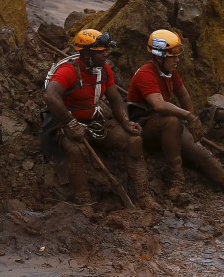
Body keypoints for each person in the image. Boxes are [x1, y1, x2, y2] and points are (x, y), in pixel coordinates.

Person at [42, 29, 159, 211]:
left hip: (96, 122)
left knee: (133, 141)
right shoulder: (68, 71)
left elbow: (114, 98)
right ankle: (84, 201)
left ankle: (143, 195)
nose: (105, 54)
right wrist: (71, 123)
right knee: (76, 149)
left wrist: (126, 122)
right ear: (87, 53)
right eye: (101, 52)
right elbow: (51, 97)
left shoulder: (103, 69)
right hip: (69, 124)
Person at [126, 29, 224, 201]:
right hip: (144, 125)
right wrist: (189, 116)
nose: (177, 60)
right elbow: (158, 105)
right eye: (173, 56)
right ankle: (177, 180)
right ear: (159, 57)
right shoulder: (146, 74)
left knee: (198, 150)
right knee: (172, 121)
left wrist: (191, 121)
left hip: (164, 123)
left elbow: (183, 94)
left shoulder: (169, 72)